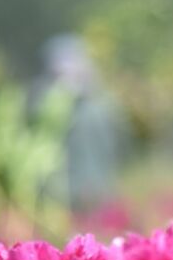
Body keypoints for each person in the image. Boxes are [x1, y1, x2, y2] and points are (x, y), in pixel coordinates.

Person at [28, 34, 124, 214]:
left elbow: (117, 143)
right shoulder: (42, 101)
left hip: (94, 187)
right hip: (56, 194)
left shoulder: (101, 104)